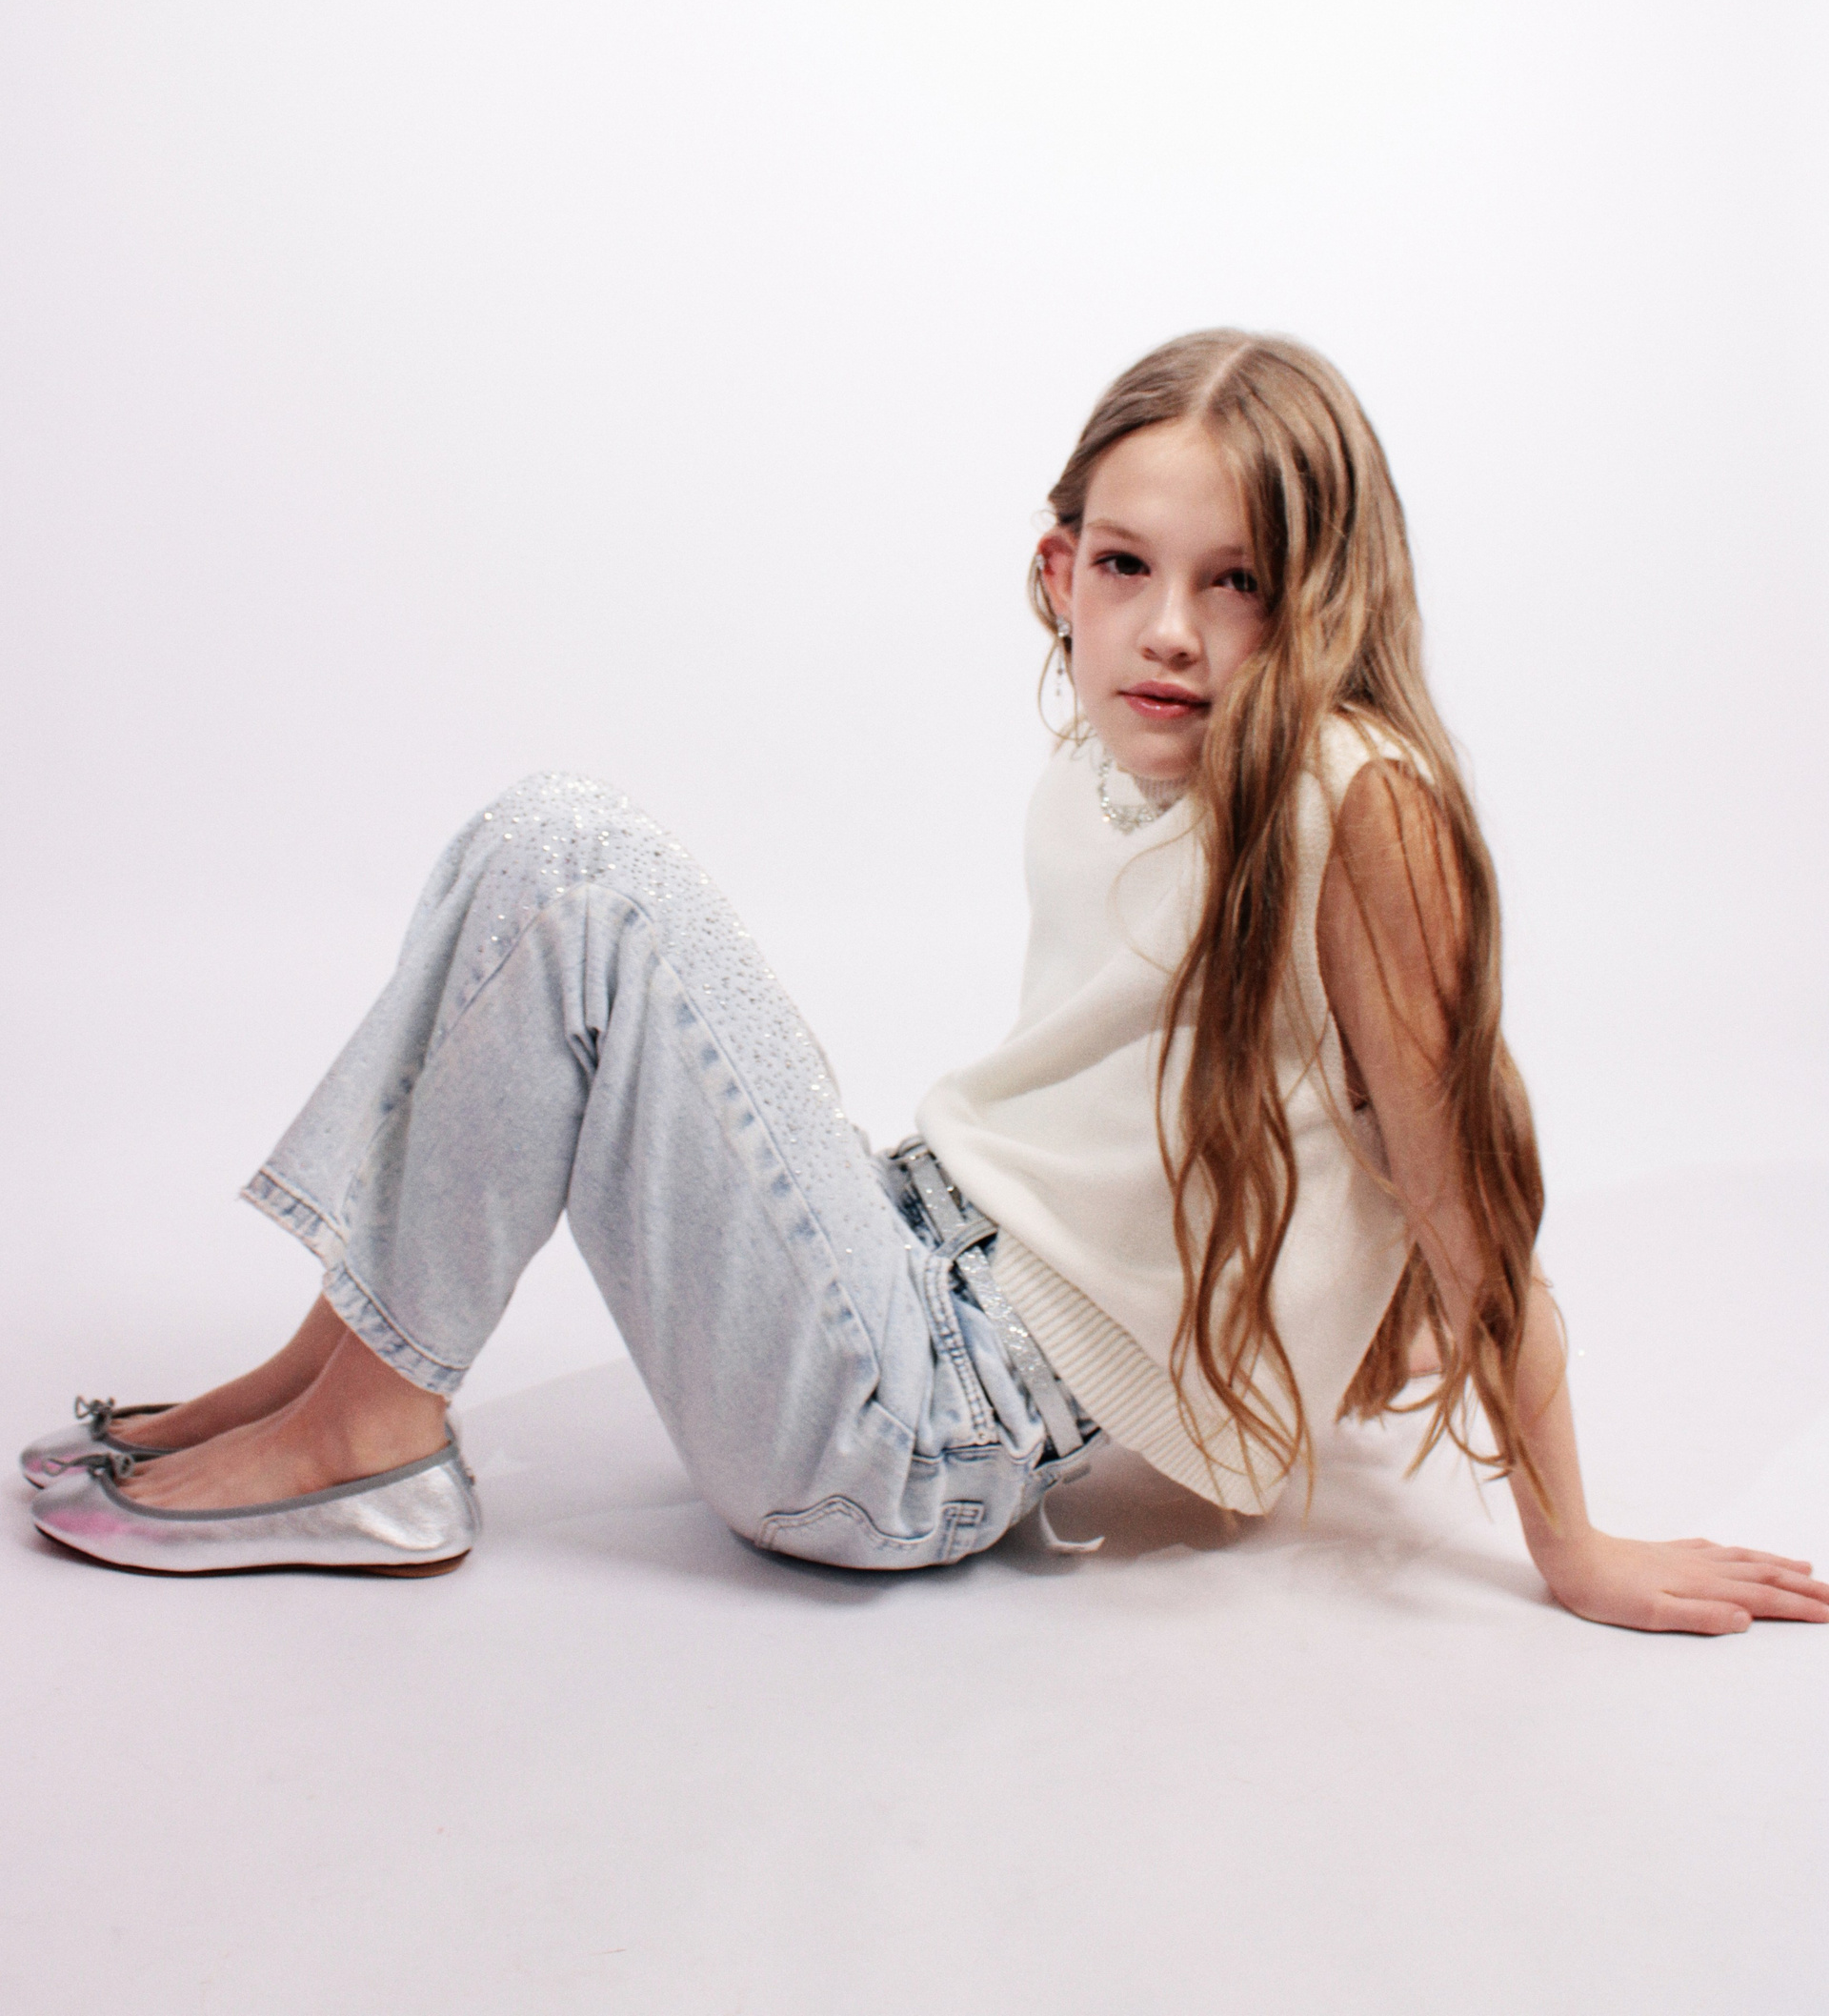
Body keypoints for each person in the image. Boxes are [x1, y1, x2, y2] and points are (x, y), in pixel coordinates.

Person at [24, 332, 1828, 1637]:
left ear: (1324, 602)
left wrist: (1576, 1544)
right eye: (1127, 568)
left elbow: (1460, 1194)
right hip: (908, 1249)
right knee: (529, 845)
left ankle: (368, 1432)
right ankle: (332, 1369)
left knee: (579, 859)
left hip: (920, 1423)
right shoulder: (1119, 754)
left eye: (1238, 583)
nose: (1172, 628)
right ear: (1060, 574)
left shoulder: (1355, 803)